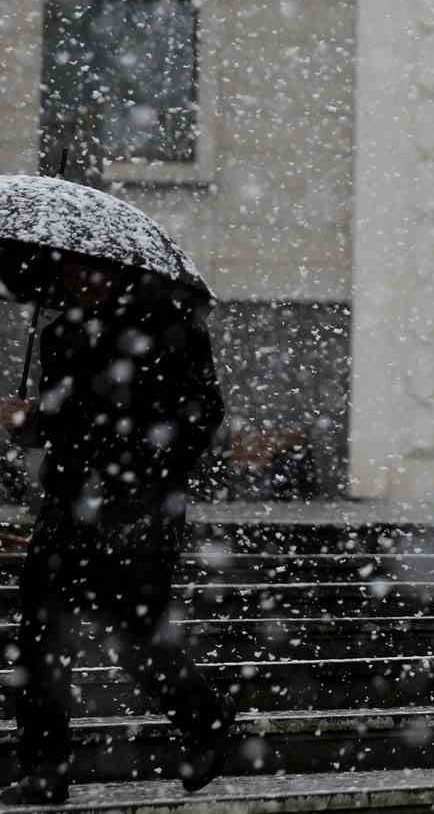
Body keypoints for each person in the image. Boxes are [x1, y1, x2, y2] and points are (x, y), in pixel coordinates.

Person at [0, 258, 234, 804]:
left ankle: (206, 719)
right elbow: (63, 425)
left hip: (141, 508)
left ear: (117, 271)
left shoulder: (170, 328)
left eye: (89, 272)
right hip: (68, 504)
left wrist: (142, 470)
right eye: (70, 274)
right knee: (41, 636)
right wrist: (26, 422)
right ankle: (46, 770)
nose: (79, 283)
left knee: (132, 634)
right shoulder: (60, 331)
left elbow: (203, 418)